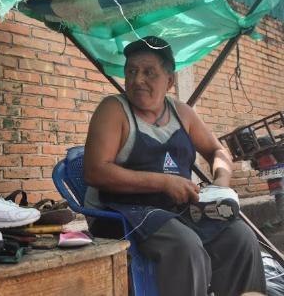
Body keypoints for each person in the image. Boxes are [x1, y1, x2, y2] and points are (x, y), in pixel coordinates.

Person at [83, 36, 265, 296]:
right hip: (123, 212)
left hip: (175, 211)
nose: (137, 80)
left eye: (149, 72)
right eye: (131, 71)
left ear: (169, 81)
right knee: (185, 245)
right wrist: (164, 182)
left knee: (240, 237)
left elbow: (218, 151)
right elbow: (95, 171)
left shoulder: (183, 113)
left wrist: (220, 185)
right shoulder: (113, 110)